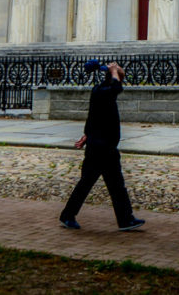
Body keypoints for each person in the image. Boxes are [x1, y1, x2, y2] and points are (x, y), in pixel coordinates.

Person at [59, 61, 144, 231]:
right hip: (100, 149)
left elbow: (94, 117)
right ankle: (68, 215)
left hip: (104, 146)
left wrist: (86, 135)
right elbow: (117, 87)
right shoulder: (104, 91)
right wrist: (114, 70)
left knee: (115, 185)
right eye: (119, 76)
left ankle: (125, 220)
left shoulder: (102, 91)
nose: (121, 79)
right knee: (89, 183)